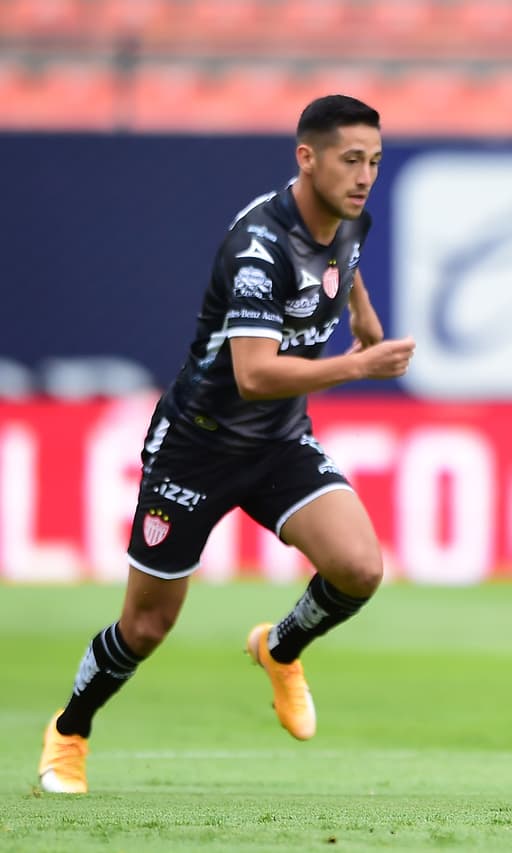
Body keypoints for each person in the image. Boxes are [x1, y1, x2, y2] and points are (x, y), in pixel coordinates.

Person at [37, 94, 415, 794]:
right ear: (307, 157)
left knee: (360, 567)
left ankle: (279, 647)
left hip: (278, 445)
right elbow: (255, 372)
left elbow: (348, 262)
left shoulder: (347, 216)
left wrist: (365, 322)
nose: (365, 176)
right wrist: (359, 366)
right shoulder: (258, 246)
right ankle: (70, 729)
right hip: (197, 449)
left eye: (375, 162)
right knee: (147, 626)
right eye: (351, 160)